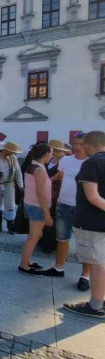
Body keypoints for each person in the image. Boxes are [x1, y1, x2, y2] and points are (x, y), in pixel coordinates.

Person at [62, 130, 105, 319]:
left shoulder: (92, 163)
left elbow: (93, 197)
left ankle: (95, 305)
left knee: (97, 265)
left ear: (88, 145)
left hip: (93, 223)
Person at [42, 133, 91, 287]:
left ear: (88, 145)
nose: (77, 147)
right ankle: (58, 268)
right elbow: (61, 176)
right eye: (75, 143)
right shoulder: (65, 160)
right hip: (64, 204)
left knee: (84, 243)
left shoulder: (91, 163)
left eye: (81, 144)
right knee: (62, 238)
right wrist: (49, 180)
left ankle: (85, 276)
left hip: (83, 208)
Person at [18, 142, 53, 275]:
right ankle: (24, 265)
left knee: (36, 235)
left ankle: (27, 261)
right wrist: (47, 214)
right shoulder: (39, 169)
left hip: (31, 205)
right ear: (45, 154)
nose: (52, 155)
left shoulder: (32, 166)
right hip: (37, 207)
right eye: (51, 153)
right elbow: (40, 193)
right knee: (34, 236)